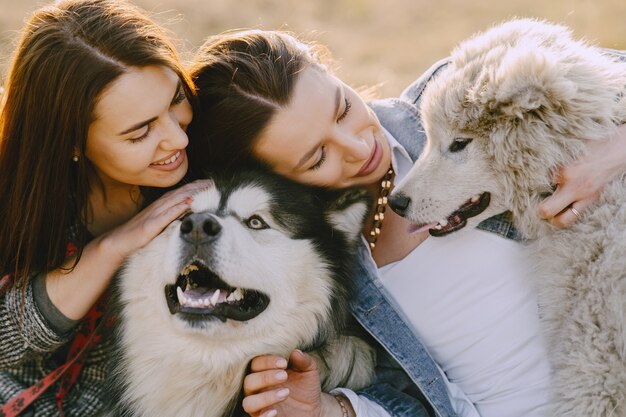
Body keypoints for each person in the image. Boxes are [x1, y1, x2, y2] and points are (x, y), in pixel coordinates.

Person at [187, 30, 626, 417]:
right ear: (276, 182)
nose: (358, 147)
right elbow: (416, 399)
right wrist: (332, 410)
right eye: (317, 157)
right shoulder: (318, 270)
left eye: (342, 109)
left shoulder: (460, 92)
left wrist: (613, 150)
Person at [0, 0, 210, 415]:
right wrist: (113, 248)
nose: (178, 140)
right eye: (140, 133)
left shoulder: (212, 180)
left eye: (175, 100)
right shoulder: (23, 191)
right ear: (72, 143)